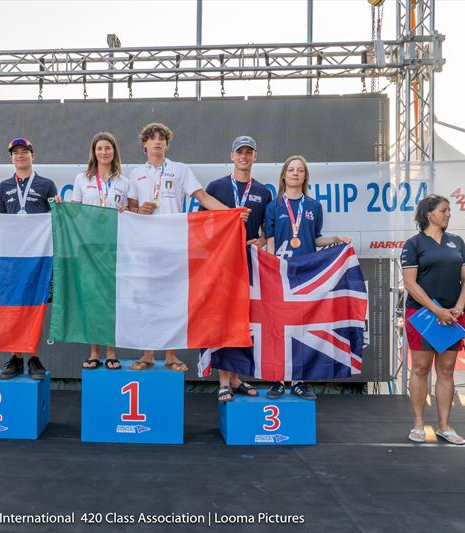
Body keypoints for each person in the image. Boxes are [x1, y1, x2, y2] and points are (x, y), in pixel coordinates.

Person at [126, 122, 249, 372]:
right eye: (152, 138)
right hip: (146, 247)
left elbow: (203, 198)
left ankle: (171, 355)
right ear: (144, 144)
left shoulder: (180, 170)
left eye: (162, 138)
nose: (158, 142)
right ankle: (147, 353)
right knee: (148, 300)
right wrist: (140, 210)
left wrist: (232, 213)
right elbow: (130, 209)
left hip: (175, 245)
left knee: (173, 299)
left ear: (167, 144)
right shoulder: (135, 173)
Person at [264, 155, 351, 400]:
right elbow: (270, 242)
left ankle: (299, 380)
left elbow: (315, 239)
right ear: (283, 175)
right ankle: (278, 379)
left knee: (302, 328)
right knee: (278, 328)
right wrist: (271, 271)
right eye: (291, 170)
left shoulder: (313, 206)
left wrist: (335, 240)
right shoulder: (274, 206)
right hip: (281, 274)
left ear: (305, 176)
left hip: (306, 275)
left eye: (299, 170)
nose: (295, 174)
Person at [201, 135, 272, 402]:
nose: (244, 156)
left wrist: (262, 240)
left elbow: (267, 232)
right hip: (220, 265)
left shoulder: (264, 192)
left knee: (245, 321)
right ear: (232, 156)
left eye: (248, 152)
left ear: (255, 157)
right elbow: (201, 223)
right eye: (239, 152)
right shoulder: (216, 187)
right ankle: (223, 381)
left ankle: (236, 377)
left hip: (248, 262)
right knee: (223, 319)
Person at [400, 194, 465, 445]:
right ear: (428, 214)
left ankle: (444, 426)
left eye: (449, 210)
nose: (448, 214)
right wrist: (436, 310)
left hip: (453, 316)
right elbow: (410, 283)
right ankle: (419, 424)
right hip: (422, 315)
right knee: (420, 368)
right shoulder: (413, 244)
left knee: (446, 369)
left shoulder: (457, 242)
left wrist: (458, 308)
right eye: (444, 210)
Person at [0, 137, 59, 380]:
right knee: (15, 308)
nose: (20, 156)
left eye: (25, 152)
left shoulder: (47, 185)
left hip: (39, 257)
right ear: (11, 158)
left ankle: (33, 357)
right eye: (16, 153)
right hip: (15, 258)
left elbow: (56, 218)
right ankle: (16, 358)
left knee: (36, 308)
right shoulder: (3, 186)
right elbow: (1, 222)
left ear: (33, 156)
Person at [72, 132, 130, 370]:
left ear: (114, 152)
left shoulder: (123, 182)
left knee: (110, 300)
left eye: (108, 148)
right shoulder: (81, 179)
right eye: (99, 149)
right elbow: (75, 212)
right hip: (89, 247)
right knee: (92, 300)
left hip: (114, 247)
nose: (104, 152)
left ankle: (111, 351)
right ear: (93, 153)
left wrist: (128, 211)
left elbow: (130, 210)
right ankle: (94, 351)